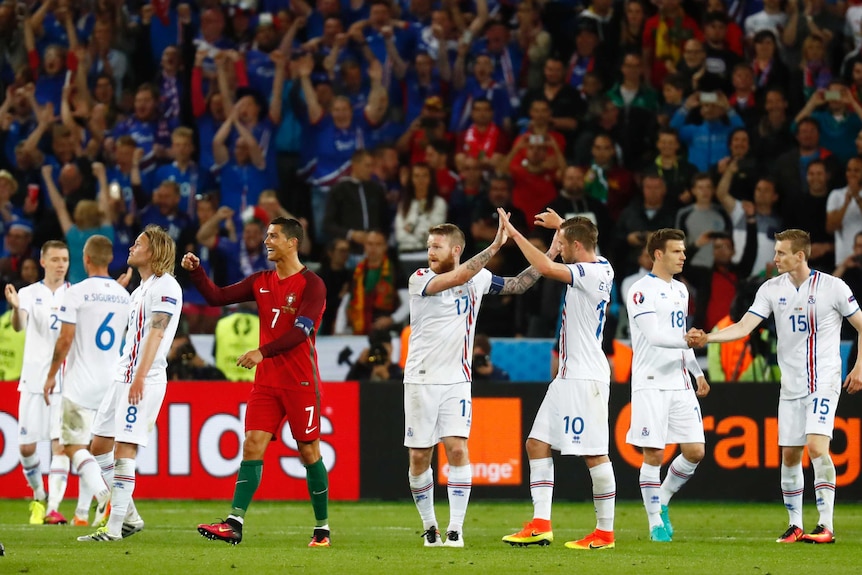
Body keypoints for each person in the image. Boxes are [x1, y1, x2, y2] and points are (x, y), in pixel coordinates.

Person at [687, 229, 862, 544]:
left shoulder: (833, 287)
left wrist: (859, 367)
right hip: (791, 384)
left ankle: (826, 526)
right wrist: (708, 338)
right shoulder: (771, 289)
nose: (775, 258)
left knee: (817, 447)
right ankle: (795, 525)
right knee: (790, 455)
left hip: (824, 380)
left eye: (781, 253)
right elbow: (744, 326)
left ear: (800, 255)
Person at [183, 217, 331, 547]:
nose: (267, 241)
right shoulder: (260, 281)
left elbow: (300, 332)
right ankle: (234, 523)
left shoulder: (313, 285)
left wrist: (262, 351)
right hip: (266, 383)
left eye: (274, 236)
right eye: (267, 235)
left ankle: (322, 528)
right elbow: (216, 297)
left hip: (300, 382)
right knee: (252, 444)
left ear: (293, 242)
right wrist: (196, 272)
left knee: (308, 452)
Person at [404, 219, 548, 548]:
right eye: (428, 246)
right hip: (420, 380)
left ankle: (455, 528)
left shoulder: (479, 277)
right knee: (418, 457)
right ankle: (430, 526)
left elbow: (517, 285)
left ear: (455, 249)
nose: (429, 252)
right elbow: (459, 277)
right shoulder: (421, 279)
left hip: (456, 380)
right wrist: (496, 245)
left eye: (436, 247)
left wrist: (549, 253)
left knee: (456, 449)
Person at [497, 210, 617, 550]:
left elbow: (549, 268)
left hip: (584, 376)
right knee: (536, 443)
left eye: (562, 244)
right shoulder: (604, 264)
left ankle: (605, 532)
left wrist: (515, 234)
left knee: (593, 454)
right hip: (567, 376)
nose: (558, 248)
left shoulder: (589, 273)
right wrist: (563, 225)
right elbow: (583, 238)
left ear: (575, 246)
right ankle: (540, 524)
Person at [77, 225, 183, 542]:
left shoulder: (167, 287)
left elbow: (157, 333)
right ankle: (131, 516)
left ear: (154, 251)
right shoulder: (139, 290)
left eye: (139, 243)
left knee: (125, 448)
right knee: (98, 445)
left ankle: (113, 529)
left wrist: (139, 376)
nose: (131, 247)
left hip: (144, 378)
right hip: (123, 375)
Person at [625, 228, 710, 542]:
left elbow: (678, 336)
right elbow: (655, 336)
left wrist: (697, 373)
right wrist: (688, 339)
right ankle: (654, 524)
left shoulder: (681, 290)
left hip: (679, 381)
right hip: (651, 382)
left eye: (684, 251)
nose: (684, 256)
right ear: (658, 254)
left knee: (695, 451)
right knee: (654, 455)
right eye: (677, 251)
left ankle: (662, 499)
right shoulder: (640, 290)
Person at [42, 236, 131, 527]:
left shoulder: (76, 293)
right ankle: (92, 509)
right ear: (109, 259)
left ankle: (102, 495)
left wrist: (52, 374)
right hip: (113, 382)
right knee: (103, 449)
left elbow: (66, 339)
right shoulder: (123, 296)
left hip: (81, 384)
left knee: (72, 445)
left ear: (86, 259)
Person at [4, 240, 71, 525]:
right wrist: (16, 308)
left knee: (60, 445)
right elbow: (19, 326)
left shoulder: (74, 294)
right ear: (43, 262)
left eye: (65, 259)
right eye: (55, 259)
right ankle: (38, 496)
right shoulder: (29, 293)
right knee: (27, 448)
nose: (60, 264)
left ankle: (54, 507)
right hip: (33, 380)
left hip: (65, 381)